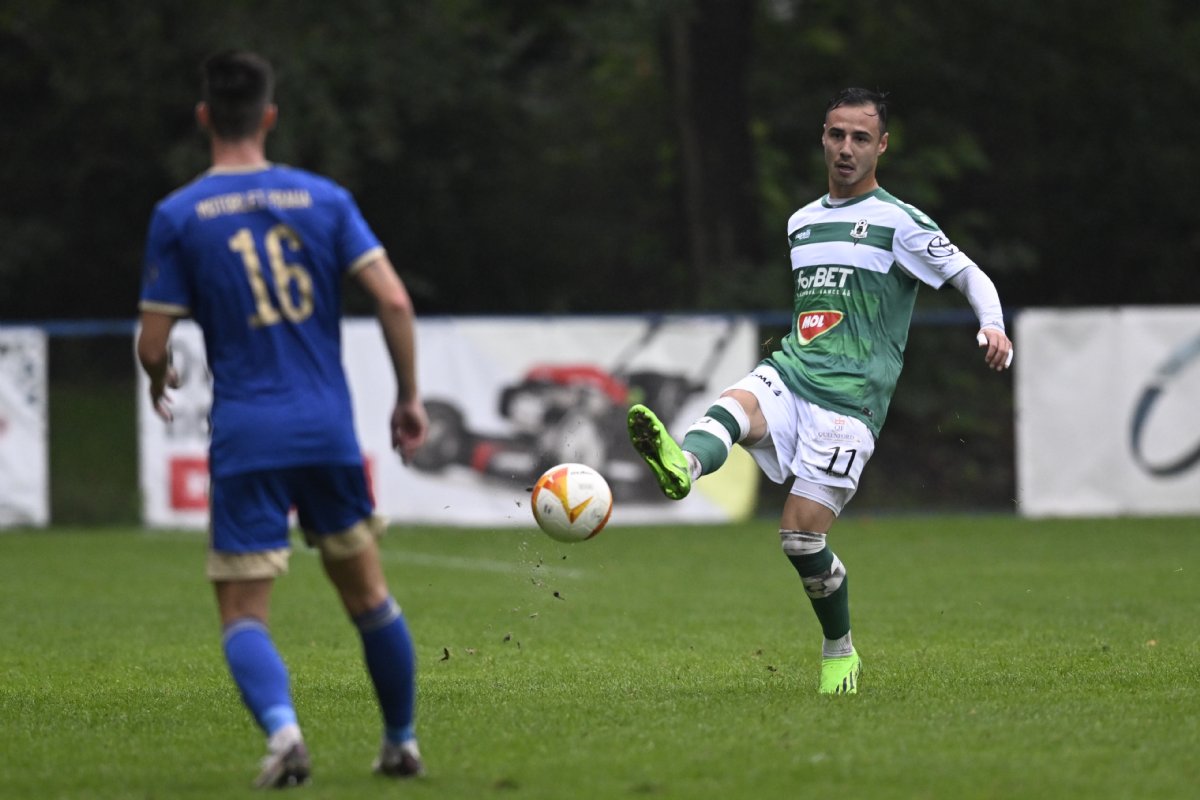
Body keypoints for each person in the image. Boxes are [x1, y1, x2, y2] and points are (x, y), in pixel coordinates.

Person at [628, 87, 1013, 695]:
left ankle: (840, 650)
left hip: (853, 400)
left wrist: (991, 324)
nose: (846, 148)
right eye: (837, 134)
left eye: (861, 137)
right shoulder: (801, 223)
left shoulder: (900, 223)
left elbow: (970, 275)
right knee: (738, 401)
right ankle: (683, 464)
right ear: (823, 138)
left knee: (800, 535)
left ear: (881, 146)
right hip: (795, 367)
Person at [137, 50, 429, 787]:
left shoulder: (178, 215)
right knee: (368, 596)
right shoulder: (323, 200)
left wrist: (156, 373)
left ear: (205, 117)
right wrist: (408, 397)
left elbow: (153, 340)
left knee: (243, 612)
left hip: (248, 433)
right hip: (326, 428)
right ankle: (400, 742)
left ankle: (284, 733)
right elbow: (394, 300)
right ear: (270, 116)